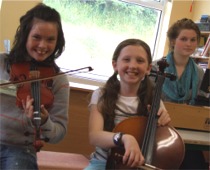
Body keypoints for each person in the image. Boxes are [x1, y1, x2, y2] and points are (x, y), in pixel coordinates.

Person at [0, 3, 70, 170]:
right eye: (37, 37)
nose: (43, 46)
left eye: (50, 39)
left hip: (21, 149)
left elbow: (59, 133)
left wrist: (45, 121)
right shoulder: (3, 62)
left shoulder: (58, 80)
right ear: (25, 36)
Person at [84, 38, 171, 170]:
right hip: (104, 163)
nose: (133, 65)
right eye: (126, 59)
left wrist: (166, 123)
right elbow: (94, 136)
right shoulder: (101, 95)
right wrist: (125, 138)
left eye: (140, 61)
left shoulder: (154, 100)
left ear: (148, 68)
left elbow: (165, 141)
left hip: (141, 165)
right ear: (115, 65)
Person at [152, 18, 208, 169]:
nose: (189, 44)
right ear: (172, 41)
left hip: (188, 130)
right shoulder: (156, 67)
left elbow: (201, 103)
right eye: (183, 39)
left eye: (193, 40)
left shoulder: (200, 72)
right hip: (159, 129)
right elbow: (147, 99)